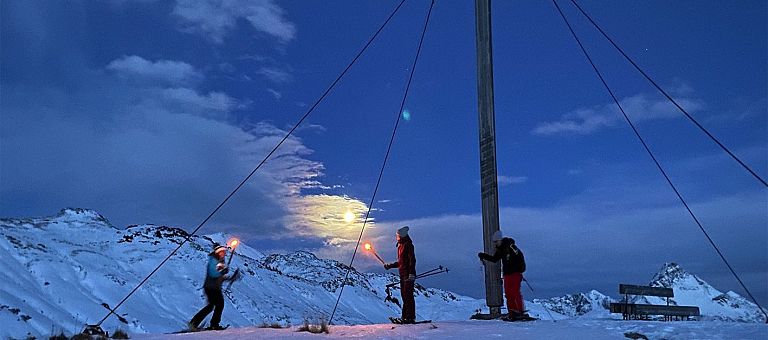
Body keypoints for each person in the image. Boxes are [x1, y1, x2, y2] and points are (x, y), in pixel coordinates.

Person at [478, 230, 528, 319]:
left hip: (515, 274)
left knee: (515, 292)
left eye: (496, 242)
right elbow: (494, 259)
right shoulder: (501, 250)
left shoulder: (511, 247)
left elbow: (520, 257)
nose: (495, 244)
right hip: (507, 275)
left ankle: (519, 311)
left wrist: (520, 270)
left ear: (500, 240)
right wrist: (483, 255)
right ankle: (513, 312)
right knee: (509, 294)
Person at [189, 244, 233, 330]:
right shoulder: (213, 260)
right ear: (218, 252)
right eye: (222, 252)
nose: (224, 253)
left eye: (224, 252)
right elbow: (213, 273)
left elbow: (219, 276)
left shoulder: (220, 261)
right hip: (211, 287)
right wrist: (223, 272)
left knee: (214, 306)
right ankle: (212, 324)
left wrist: (230, 277)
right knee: (217, 305)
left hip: (214, 287)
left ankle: (195, 323)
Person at [384, 226, 417, 324]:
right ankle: (405, 317)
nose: (396, 237)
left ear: (402, 235)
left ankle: (410, 317)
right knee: (404, 296)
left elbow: (412, 260)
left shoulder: (408, 245)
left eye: (397, 235)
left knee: (408, 296)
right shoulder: (400, 245)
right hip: (402, 274)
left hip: (408, 275)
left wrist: (411, 273)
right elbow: (401, 262)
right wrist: (390, 266)